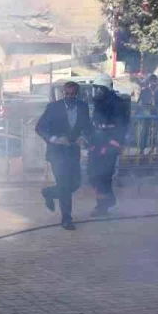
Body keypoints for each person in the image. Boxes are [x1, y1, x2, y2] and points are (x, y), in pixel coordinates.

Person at [35, 81, 94, 230]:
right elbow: (40, 127)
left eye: (73, 94)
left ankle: (48, 192)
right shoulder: (54, 108)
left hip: (73, 151)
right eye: (67, 94)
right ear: (63, 93)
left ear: (77, 94)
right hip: (57, 153)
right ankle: (66, 219)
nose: (70, 97)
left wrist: (84, 138)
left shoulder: (83, 107)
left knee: (75, 183)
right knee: (64, 185)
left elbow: (88, 128)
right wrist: (54, 139)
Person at [87, 74, 131, 216]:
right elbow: (95, 124)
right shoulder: (99, 103)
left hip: (110, 144)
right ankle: (109, 199)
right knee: (93, 175)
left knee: (103, 176)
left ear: (107, 89)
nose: (97, 92)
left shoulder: (118, 104)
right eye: (96, 89)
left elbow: (122, 126)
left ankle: (102, 206)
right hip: (97, 143)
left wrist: (114, 144)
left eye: (100, 89)